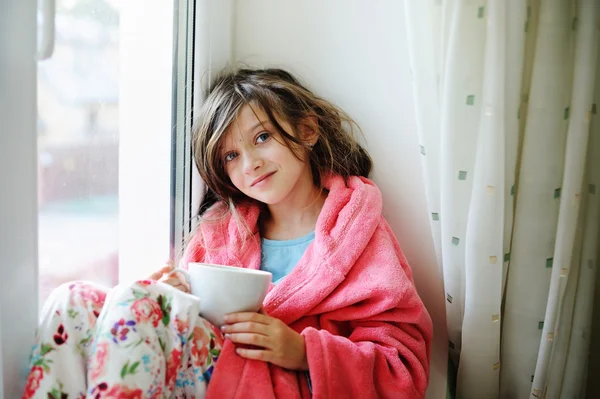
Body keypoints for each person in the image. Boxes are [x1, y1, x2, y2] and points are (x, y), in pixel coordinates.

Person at [23, 67, 433, 399]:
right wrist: (175, 290)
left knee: (138, 300)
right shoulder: (223, 229)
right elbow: (189, 313)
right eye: (232, 155)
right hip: (213, 363)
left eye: (262, 137)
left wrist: (304, 351)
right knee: (72, 299)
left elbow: (404, 367)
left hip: (275, 382)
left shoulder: (357, 232)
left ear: (307, 131)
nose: (250, 163)